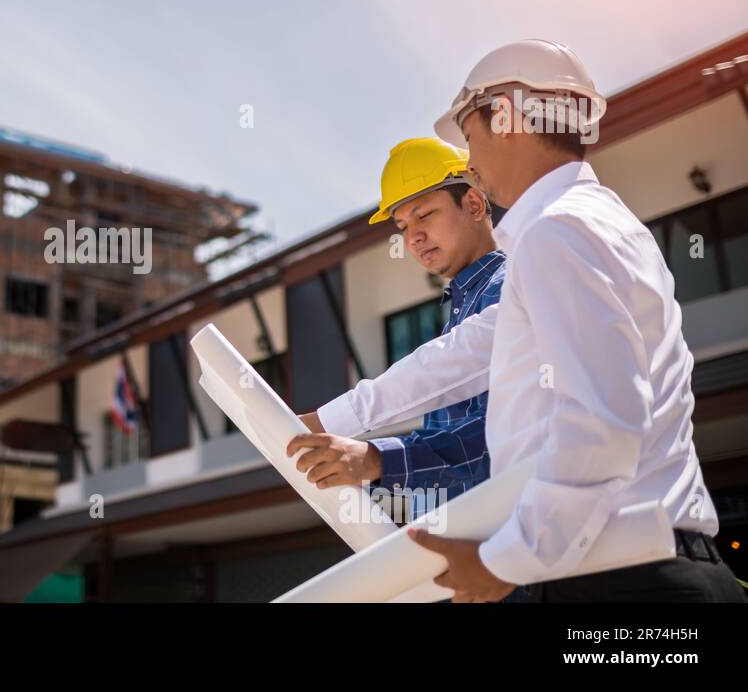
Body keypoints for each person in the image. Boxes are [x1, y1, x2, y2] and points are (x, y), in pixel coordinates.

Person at [290, 40, 742, 602]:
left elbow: (603, 419)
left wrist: (508, 560)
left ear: (504, 115)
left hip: (620, 582)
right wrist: (337, 417)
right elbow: (466, 354)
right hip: (640, 570)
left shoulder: (559, 232)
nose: (471, 161)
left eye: (470, 136)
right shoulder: (591, 226)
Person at [287, 138, 504, 529]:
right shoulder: (464, 305)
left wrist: (373, 457)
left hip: (500, 559)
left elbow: (501, 443)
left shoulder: (509, 287)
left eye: (424, 215)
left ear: (473, 204)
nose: (413, 237)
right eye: (403, 226)